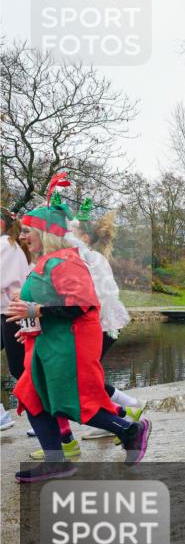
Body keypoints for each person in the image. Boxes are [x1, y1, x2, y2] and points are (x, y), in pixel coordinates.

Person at [8, 193, 151, 482]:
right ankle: (56, 461)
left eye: (26, 230)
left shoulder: (65, 261)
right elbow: (49, 303)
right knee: (32, 396)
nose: (22, 237)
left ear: (44, 232)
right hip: (47, 342)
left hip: (69, 345)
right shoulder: (46, 261)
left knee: (71, 401)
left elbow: (81, 304)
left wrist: (35, 310)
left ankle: (129, 429)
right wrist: (31, 325)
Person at [48, 202, 144, 450]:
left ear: (84, 237)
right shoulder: (85, 256)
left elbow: (93, 298)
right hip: (100, 326)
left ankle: (124, 413)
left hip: (100, 327)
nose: (65, 236)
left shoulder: (88, 258)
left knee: (81, 380)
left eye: (72, 232)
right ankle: (121, 413)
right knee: (86, 380)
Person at [1, 208, 31, 432]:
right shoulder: (9, 244)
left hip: (15, 313)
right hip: (10, 312)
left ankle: (48, 419)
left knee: (20, 369)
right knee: (20, 368)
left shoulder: (6, 245)